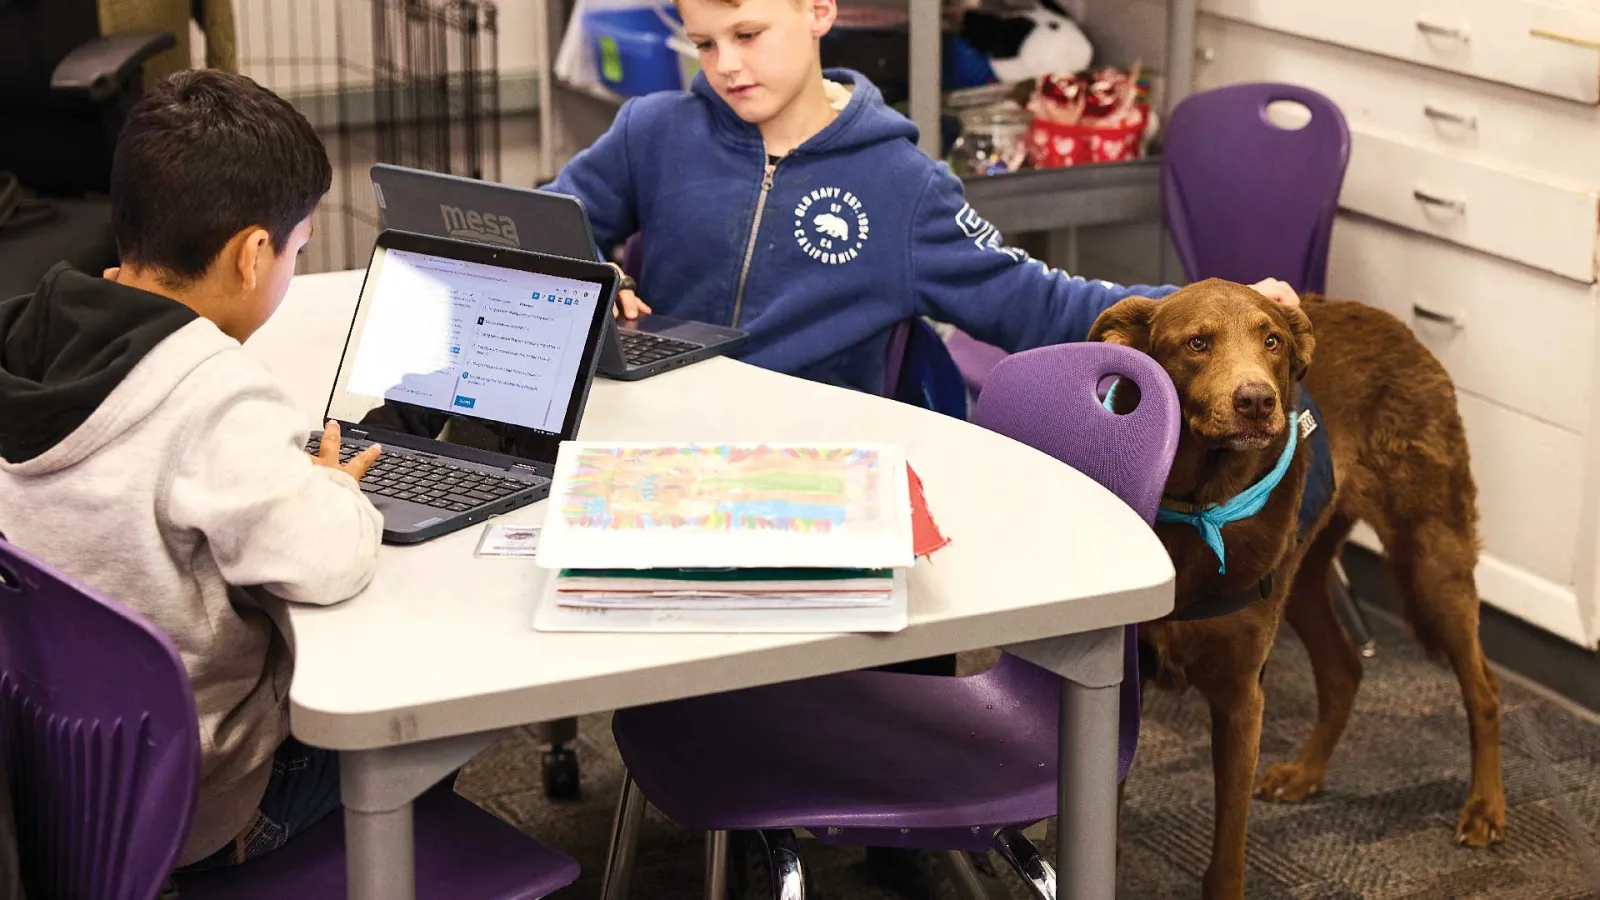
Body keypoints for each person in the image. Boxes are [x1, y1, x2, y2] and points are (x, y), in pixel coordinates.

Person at [0, 69, 384, 870]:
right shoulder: (216, 399)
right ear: (252, 255)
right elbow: (328, 561)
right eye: (298, 249)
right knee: (419, 715)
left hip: (58, 785)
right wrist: (332, 489)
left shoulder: (30, 333)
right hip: (201, 807)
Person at [543, 0, 1299, 398]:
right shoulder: (654, 129)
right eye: (705, 43)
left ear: (818, 10)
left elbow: (1043, 304)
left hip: (804, 467)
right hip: (654, 432)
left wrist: (1220, 303)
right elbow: (548, 224)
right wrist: (607, 278)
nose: (727, 66)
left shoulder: (904, 185)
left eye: (748, 34)